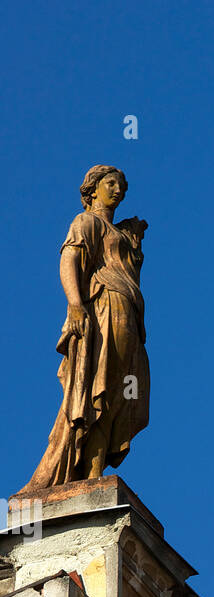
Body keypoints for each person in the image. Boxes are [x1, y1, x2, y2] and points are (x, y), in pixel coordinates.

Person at [19, 165, 149, 494]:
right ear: (92, 189)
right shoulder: (86, 222)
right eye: (111, 183)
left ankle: (95, 467)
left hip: (129, 317)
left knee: (119, 393)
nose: (118, 189)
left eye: (122, 184)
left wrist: (133, 245)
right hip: (103, 308)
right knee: (98, 387)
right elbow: (69, 261)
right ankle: (86, 467)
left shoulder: (118, 232)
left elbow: (125, 267)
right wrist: (75, 304)